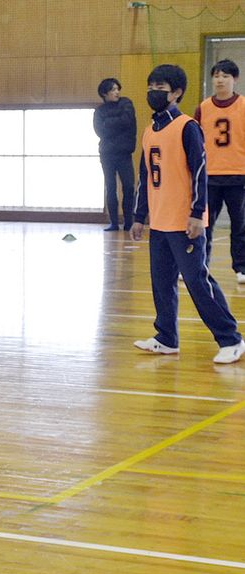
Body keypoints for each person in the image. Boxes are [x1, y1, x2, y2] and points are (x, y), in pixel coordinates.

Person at [131, 64, 245, 364]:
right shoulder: (149, 130)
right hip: (160, 220)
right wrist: (139, 215)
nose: (154, 92)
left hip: (185, 222)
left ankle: (231, 338)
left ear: (177, 92)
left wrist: (197, 213)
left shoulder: (186, 127)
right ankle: (166, 337)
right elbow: (145, 176)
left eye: (161, 88)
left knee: (197, 280)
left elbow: (199, 171)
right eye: (151, 87)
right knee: (162, 281)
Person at [195, 59, 245, 283]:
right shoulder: (203, 108)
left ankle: (241, 268)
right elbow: (194, 142)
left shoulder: (243, 106)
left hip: (238, 174)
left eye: (225, 76)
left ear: (235, 79)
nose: (220, 80)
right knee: (204, 224)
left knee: (240, 224)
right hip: (209, 176)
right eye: (216, 76)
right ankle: (199, 265)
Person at [94, 78, 137, 231]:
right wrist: (118, 123)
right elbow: (100, 130)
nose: (117, 92)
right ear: (104, 93)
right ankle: (113, 222)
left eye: (118, 89)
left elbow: (128, 120)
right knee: (110, 187)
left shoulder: (126, 103)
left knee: (129, 187)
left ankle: (129, 222)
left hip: (124, 154)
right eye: (113, 89)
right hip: (107, 155)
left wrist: (110, 123)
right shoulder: (99, 111)